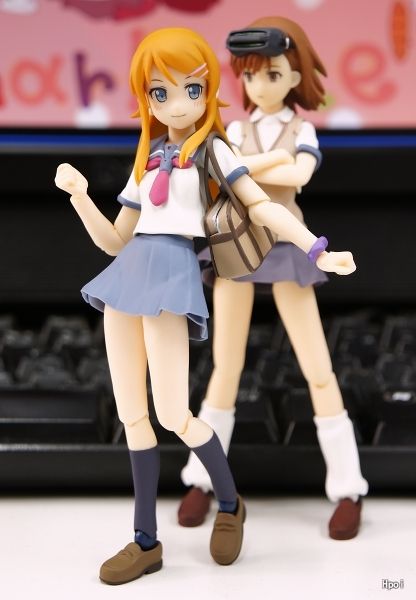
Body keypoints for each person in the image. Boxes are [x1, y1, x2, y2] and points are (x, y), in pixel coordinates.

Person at [55, 26, 356, 585]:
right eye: (160, 92)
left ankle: (230, 502)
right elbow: (115, 240)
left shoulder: (215, 149)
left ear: (209, 91)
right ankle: (146, 540)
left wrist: (316, 249)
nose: (177, 104)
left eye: (192, 90)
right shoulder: (148, 157)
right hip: (125, 280)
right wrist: (79, 198)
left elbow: (262, 208)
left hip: (171, 278)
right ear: (146, 98)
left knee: (174, 414)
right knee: (132, 416)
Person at [178, 17, 368, 541]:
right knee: (225, 367)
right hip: (238, 243)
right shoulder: (237, 131)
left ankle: (348, 487)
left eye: (273, 75)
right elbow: (224, 174)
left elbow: (297, 175)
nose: (259, 86)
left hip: (286, 245)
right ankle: (202, 476)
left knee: (318, 368)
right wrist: (268, 161)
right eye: (250, 75)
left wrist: (247, 166)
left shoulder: (299, 131)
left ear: (294, 77)